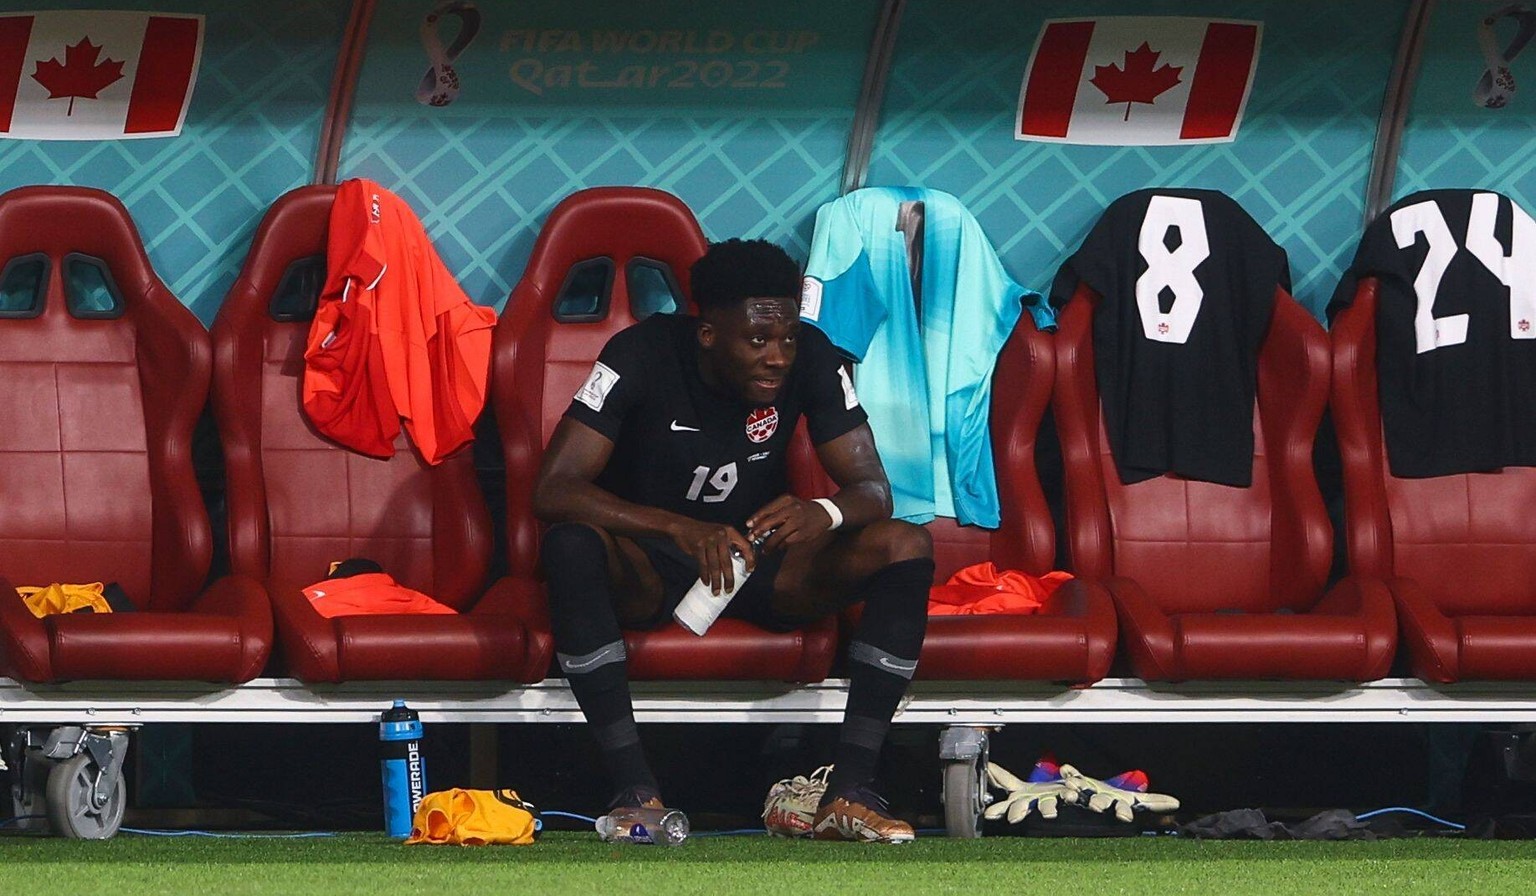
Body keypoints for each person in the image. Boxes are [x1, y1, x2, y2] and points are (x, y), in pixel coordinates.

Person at [533, 237, 934, 842]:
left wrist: (823, 512)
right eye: (757, 341)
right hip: (650, 565)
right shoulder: (638, 353)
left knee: (905, 544)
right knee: (570, 544)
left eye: (787, 338)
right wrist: (677, 527)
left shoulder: (816, 359)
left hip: (758, 561)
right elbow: (555, 489)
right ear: (708, 334)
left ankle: (849, 793)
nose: (777, 357)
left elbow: (874, 490)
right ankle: (635, 791)